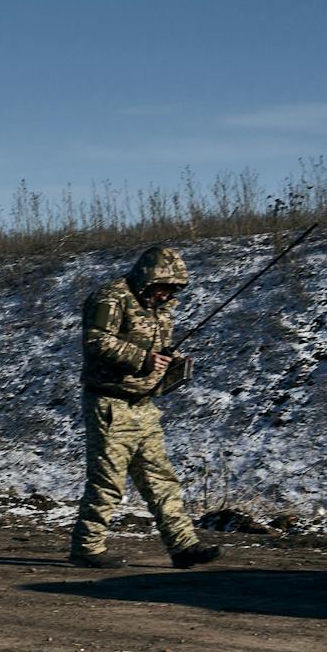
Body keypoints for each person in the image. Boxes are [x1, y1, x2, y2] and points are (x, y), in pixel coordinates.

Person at [68, 244, 221, 569]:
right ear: (148, 279)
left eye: (172, 290)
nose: (167, 296)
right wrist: (143, 358)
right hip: (110, 404)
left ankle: (183, 547)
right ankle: (87, 547)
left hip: (144, 405)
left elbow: (157, 348)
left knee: (161, 479)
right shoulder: (110, 297)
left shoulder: (161, 310)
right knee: (107, 480)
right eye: (163, 288)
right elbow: (96, 340)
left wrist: (171, 362)